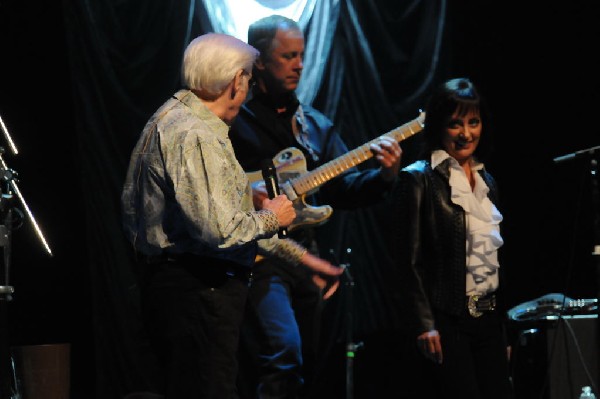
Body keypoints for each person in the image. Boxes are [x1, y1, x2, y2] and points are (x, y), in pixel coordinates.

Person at [120, 33, 342, 399]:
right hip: (198, 291)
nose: (248, 87)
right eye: (248, 79)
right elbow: (220, 231)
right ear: (236, 81)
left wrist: (304, 261)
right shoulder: (195, 135)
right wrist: (274, 216)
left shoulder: (176, 118)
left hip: (184, 288)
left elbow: (229, 221)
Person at [229, 15, 403, 399]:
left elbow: (343, 191)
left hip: (305, 254)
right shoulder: (232, 122)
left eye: (302, 55)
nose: (300, 65)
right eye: (288, 56)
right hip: (259, 257)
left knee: (307, 358)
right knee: (283, 352)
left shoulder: (314, 126)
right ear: (257, 60)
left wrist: (385, 177)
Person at [390, 77, 513, 398]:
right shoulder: (418, 179)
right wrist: (424, 323)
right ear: (439, 126)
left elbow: (495, 261)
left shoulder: (488, 181)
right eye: (456, 124)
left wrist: (503, 332)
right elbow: (408, 261)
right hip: (447, 321)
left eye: (474, 122)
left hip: (488, 320)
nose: (466, 133)